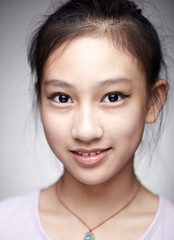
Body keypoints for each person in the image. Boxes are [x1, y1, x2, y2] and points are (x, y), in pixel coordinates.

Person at [0, 0, 174, 239]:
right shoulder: (6, 224)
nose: (85, 131)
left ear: (153, 102)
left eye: (112, 97)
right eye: (62, 98)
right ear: (40, 100)